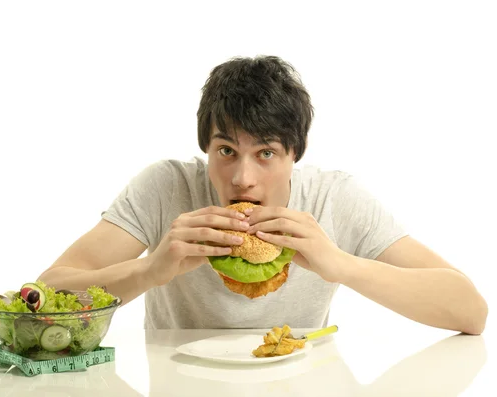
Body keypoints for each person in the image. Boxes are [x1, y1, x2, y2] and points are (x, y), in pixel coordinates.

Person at [37, 55, 488, 334]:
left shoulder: (335, 198)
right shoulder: (166, 186)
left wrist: (343, 266)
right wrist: (150, 270)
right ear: (206, 149)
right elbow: (44, 293)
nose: (243, 179)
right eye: (226, 150)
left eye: (266, 152)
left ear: (296, 153)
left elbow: (471, 312)